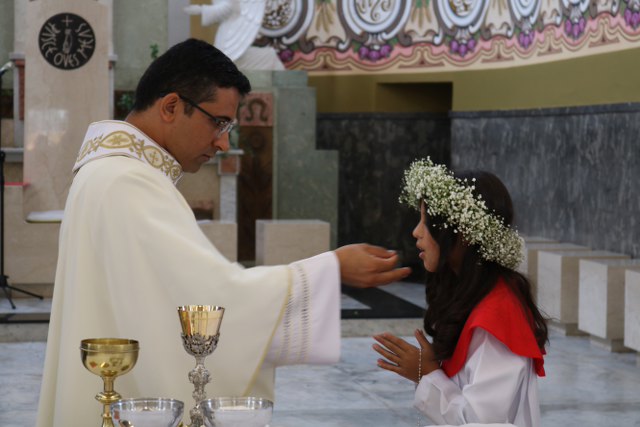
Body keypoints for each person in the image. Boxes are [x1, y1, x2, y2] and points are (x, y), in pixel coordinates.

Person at [36, 38, 410, 427]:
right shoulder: (127, 181)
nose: (223, 142)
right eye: (218, 122)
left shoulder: (110, 171)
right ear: (171, 106)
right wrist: (330, 269)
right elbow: (208, 299)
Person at [372, 158, 547, 427]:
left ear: (463, 231)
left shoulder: (497, 315)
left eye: (427, 221)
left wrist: (427, 373)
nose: (416, 232)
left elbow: (482, 421)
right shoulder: (473, 294)